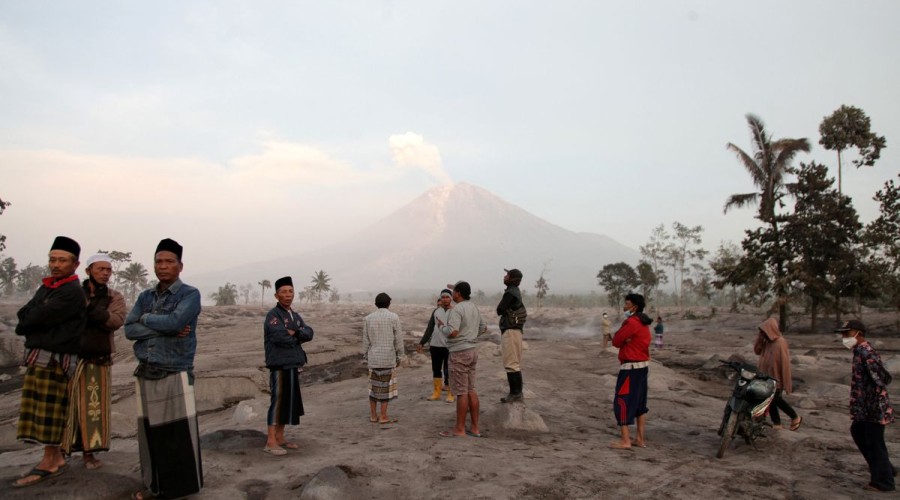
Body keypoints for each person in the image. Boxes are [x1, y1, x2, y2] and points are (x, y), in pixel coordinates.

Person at [124, 238, 202, 500]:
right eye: (159, 261)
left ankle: (178, 490)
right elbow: (128, 329)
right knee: (150, 435)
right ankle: (154, 486)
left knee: (176, 435)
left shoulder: (189, 294)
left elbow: (176, 321)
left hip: (174, 369)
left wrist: (145, 319)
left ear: (180, 266)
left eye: (169, 261)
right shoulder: (145, 296)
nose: (163, 266)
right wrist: (162, 324)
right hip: (146, 369)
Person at [12, 236, 86, 488]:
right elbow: (25, 317)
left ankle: (50, 460)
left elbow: (33, 319)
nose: (55, 264)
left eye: (62, 260)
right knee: (41, 410)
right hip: (42, 357)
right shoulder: (49, 287)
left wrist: (34, 323)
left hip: (54, 361)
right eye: (52, 259)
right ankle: (54, 456)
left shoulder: (71, 292)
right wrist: (34, 321)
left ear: (74, 264)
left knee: (50, 411)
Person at [61, 253, 126, 470]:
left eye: (108, 270)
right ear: (88, 270)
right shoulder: (74, 293)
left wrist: (89, 310)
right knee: (67, 407)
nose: (106, 273)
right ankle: (62, 451)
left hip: (98, 359)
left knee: (93, 408)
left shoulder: (114, 297)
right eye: (101, 269)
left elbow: (115, 321)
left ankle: (89, 454)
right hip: (70, 358)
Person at [837, 319, 895, 492]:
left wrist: (871, 399)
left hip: (873, 408)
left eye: (846, 333)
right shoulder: (859, 351)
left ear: (858, 334)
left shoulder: (866, 353)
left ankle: (884, 482)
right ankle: (887, 470)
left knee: (875, 443)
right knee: (858, 433)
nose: (843, 337)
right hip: (864, 408)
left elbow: (883, 378)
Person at [263, 276, 314, 456]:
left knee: (288, 402)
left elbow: (309, 332)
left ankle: (280, 437)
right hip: (279, 364)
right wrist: (297, 335)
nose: (287, 295)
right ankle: (270, 441)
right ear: (276, 295)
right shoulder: (273, 315)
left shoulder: (295, 315)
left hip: (293, 363)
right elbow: (279, 337)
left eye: (290, 291)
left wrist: (296, 332)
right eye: (283, 292)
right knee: (277, 401)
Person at [440, 281, 487, 438]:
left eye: (453, 292)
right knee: (470, 389)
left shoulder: (457, 309)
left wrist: (442, 328)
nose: (452, 294)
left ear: (458, 293)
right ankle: (475, 428)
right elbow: (483, 328)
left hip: (459, 352)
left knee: (461, 392)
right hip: (472, 350)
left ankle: (459, 429)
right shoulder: (473, 307)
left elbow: (452, 332)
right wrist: (470, 337)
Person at [610, 293, 652, 450]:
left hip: (630, 369)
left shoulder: (632, 322)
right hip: (642, 367)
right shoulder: (644, 323)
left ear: (634, 306)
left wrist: (624, 342)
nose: (624, 307)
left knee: (622, 402)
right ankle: (640, 439)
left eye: (627, 304)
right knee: (640, 404)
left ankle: (625, 440)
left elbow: (615, 341)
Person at [362, 292, 404, 424]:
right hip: (388, 359)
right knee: (385, 388)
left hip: (373, 359)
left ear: (376, 304)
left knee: (373, 389)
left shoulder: (368, 318)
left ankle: (373, 416)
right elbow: (398, 340)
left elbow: (365, 341)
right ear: (388, 303)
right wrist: (400, 356)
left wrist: (365, 356)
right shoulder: (394, 317)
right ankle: (383, 416)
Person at [754, 317, 802, 431]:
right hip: (765, 377)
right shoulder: (766, 342)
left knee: (775, 399)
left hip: (776, 378)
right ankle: (777, 423)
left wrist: (784, 381)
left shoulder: (780, 342)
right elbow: (757, 351)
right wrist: (760, 338)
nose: (763, 333)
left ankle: (795, 417)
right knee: (769, 400)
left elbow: (784, 364)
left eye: (765, 331)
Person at [417, 289, 454, 403]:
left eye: (447, 297)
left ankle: (451, 393)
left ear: (451, 298)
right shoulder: (436, 311)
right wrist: (422, 342)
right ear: (440, 299)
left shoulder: (455, 311)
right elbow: (430, 328)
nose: (445, 299)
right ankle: (436, 392)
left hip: (449, 346)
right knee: (436, 369)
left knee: (450, 370)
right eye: (442, 297)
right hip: (435, 345)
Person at [497, 268, 527, 403]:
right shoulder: (515, 291)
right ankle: (517, 393)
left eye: (507, 275)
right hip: (516, 331)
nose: (505, 276)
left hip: (510, 331)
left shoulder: (510, 292)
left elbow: (500, 309)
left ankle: (515, 393)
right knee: (515, 362)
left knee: (511, 363)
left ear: (512, 278)